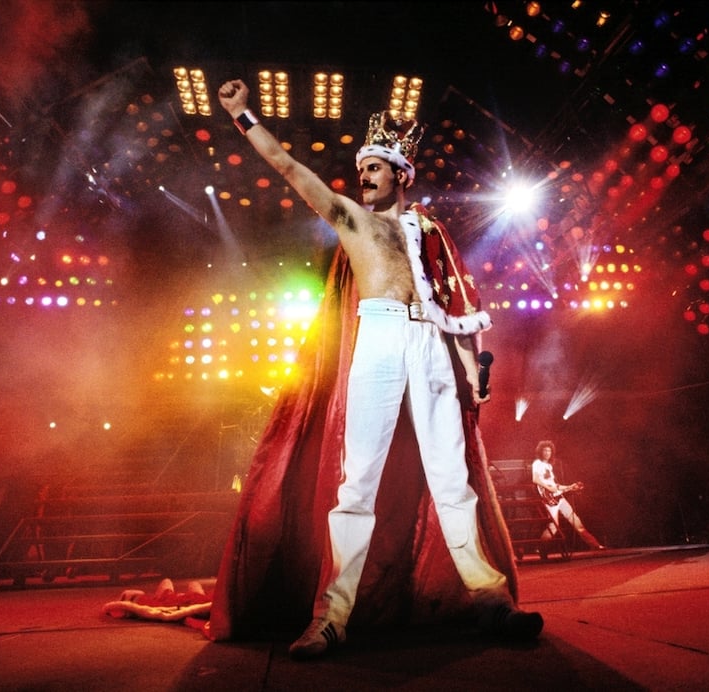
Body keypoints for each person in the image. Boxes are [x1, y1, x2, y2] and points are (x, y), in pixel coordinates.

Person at [208, 79, 543, 660]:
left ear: (401, 174)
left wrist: (472, 369)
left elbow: (456, 304)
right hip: (381, 336)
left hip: (431, 342)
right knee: (357, 482)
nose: (362, 175)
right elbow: (288, 167)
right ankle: (331, 616)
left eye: (374, 167)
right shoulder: (351, 219)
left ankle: (490, 599)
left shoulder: (431, 233)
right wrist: (243, 115)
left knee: (452, 478)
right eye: (360, 167)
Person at [531, 440, 604, 551]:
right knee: (553, 527)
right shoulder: (537, 463)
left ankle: (595, 545)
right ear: (540, 451)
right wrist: (548, 488)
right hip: (549, 500)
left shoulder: (549, 466)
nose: (547, 453)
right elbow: (535, 479)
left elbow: (556, 485)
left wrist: (570, 486)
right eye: (545, 450)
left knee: (576, 521)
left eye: (549, 451)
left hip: (558, 497)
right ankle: (540, 548)